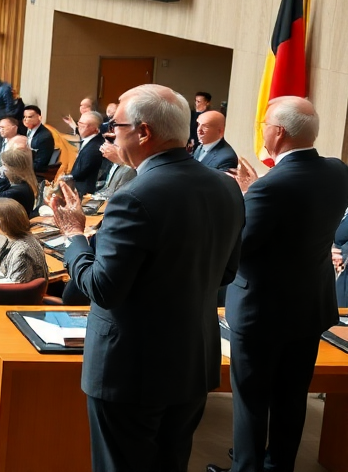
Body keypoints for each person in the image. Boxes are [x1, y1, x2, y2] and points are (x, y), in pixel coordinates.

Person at [49, 84, 242, 472]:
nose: (110, 133)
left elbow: (104, 288)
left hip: (130, 370)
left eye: (115, 125)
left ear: (143, 132)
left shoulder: (134, 196)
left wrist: (75, 239)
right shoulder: (226, 186)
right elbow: (227, 272)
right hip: (191, 362)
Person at [210, 97, 348, 472]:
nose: (263, 129)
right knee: (291, 397)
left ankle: (247, 468)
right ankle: (279, 465)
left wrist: (245, 199)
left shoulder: (269, 189)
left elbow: (240, 249)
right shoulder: (338, 171)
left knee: (251, 401)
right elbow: (297, 221)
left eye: (265, 123)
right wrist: (256, 191)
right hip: (311, 306)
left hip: (261, 313)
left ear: (279, 132)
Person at [0, 197, 48, 282]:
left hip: (21, 294)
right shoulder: (9, 238)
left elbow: (16, 290)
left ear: (3, 221)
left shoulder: (23, 251)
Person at [0, 146, 37, 214]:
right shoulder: (22, 183)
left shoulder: (13, 193)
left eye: (4, 165)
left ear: (12, 169)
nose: (1, 169)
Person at [68, 111, 106, 195]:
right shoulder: (90, 140)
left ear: (96, 129)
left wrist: (66, 178)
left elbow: (79, 173)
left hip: (84, 192)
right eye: (79, 123)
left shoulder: (94, 148)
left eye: (83, 125)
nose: (79, 127)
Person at [23, 104, 54, 176]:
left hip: (35, 172)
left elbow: (40, 163)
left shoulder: (45, 137)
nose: (26, 119)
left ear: (39, 117)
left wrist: (22, 169)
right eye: (25, 117)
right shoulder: (25, 129)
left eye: (30, 117)